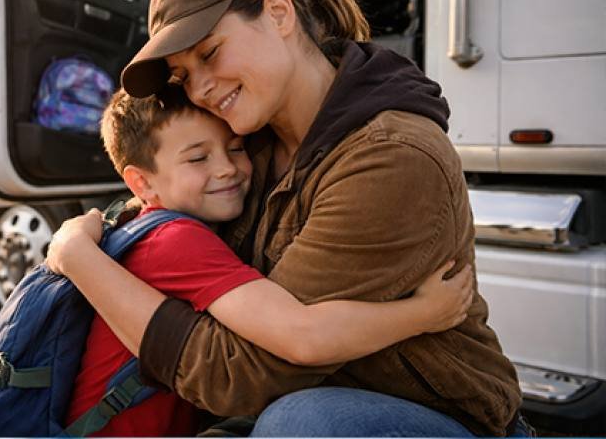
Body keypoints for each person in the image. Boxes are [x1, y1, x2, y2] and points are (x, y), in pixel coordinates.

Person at [47, 0, 528, 437]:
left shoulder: (391, 157)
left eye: (210, 53)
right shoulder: (243, 147)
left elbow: (246, 374)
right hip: (291, 403)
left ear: (279, 12)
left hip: (430, 417)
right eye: (184, 75)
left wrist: (80, 260)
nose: (200, 88)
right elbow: (163, 212)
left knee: (299, 425)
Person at [60, 86, 473, 436]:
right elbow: (302, 334)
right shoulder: (175, 241)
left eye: (235, 148)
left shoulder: (143, 227)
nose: (227, 169)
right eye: (197, 158)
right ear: (142, 182)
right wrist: (424, 313)